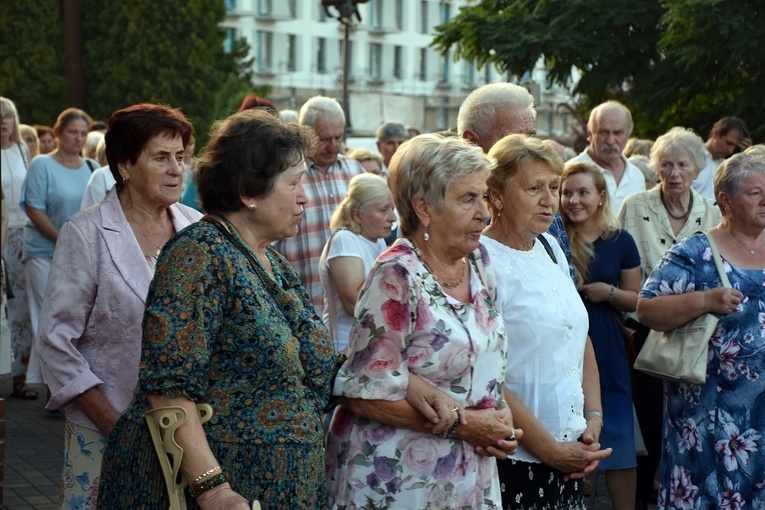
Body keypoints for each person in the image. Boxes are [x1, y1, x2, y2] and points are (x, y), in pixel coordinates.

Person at [97, 109, 336, 508]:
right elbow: (168, 389)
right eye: (293, 183)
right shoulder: (199, 255)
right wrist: (214, 489)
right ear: (247, 191)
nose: (304, 196)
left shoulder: (271, 261)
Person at [326, 134, 518, 509]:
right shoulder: (397, 274)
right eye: (468, 199)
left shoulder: (478, 261)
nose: (484, 212)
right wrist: (466, 424)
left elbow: (483, 359)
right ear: (423, 207)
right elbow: (362, 392)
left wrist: (499, 416)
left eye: (483, 197)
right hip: (397, 479)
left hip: (467, 472)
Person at [37, 103, 201, 509]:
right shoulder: (86, 233)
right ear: (124, 165)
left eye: (180, 157)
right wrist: (114, 423)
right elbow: (57, 341)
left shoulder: (198, 229)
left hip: (191, 432)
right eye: (160, 158)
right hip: (105, 430)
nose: (176, 169)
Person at [482, 134, 611, 509]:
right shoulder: (479, 260)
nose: (549, 200)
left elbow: (578, 334)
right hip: (517, 457)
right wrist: (549, 449)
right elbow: (488, 374)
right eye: (533, 188)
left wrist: (593, 418)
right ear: (496, 195)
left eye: (553, 187)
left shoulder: (551, 247)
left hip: (572, 448)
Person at [636, 152, 764, 509]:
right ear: (725, 200)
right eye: (755, 194)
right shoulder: (694, 252)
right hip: (710, 423)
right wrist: (705, 300)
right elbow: (647, 309)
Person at [617, 126, 722, 510]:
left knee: (692, 413)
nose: (674, 172)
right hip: (645, 326)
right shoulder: (634, 206)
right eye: (666, 164)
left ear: (696, 169)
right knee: (649, 415)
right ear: (656, 168)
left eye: (682, 164)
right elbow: (621, 262)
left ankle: (690, 486)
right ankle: (649, 493)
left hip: (699, 330)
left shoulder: (712, 211)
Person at [560, 162, 642, 510]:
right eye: (567, 192)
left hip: (608, 341)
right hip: (566, 341)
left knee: (619, 429)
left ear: (601, 197)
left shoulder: (620, 240)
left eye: (583, 192)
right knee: (569, 422)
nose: (573, 200)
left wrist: (606, 292)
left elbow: (638, 299)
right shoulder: (553, 236)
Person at [457, 81, 574, 275]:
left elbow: (566, 283)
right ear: (471, 141)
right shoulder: (449, 212)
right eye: (514, 139)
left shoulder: (547, 213)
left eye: (531, 136)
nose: (528, 148)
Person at [20, 107, 96, 385]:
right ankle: (56, 384)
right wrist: (64, 238)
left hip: (80, 257)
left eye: (83, 134)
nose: (78, 138)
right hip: (44, 252)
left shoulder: (92, 168)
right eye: (73, 132)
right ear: (58, 133)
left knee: (74, 318)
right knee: (48, 318)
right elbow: (33, 207)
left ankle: (56, 381)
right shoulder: (42, 164)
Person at [273, 96, 364, 315]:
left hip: (351, 313)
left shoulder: (355, 172)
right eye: (325, 139)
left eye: (338, 137)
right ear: (306, 134)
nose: (333, 146)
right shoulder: (286, 175)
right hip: (301, 308)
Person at [318, 173, 395, 353]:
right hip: (343, 347)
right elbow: (354, 304)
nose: (392, 217)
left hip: (367, 344)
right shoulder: (345, 239)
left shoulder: (378, 241)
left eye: (392, 208)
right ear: (357, 215)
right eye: (383, 210)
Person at [0, 96, 36, 399]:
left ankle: (19, 377)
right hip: (0, 232)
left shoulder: (23, 151)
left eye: (7, 117)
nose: (2, 123)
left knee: (21, 307)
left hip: (21, 235)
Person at [567, 101, 646, 213]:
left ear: (628, 135)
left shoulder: (637, 176)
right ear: (590, 133)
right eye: (603, 132)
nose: (610, 140)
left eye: (618, 133)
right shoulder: (567, 173)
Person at [692, 116, 751, 199]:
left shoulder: (726, 169)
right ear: (715, 133)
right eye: (729, 143)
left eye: (735, 146)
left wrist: (747, 158)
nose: (731, 150)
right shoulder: (691, 157)